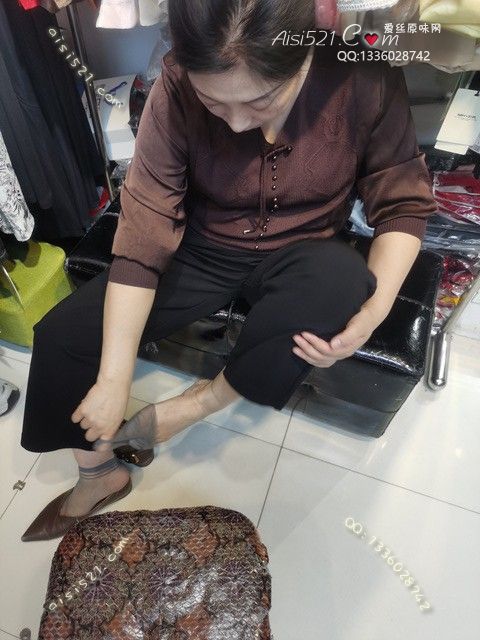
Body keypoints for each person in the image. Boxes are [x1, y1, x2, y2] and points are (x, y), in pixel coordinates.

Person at [20, 0, 437, 541]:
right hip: (203, 246)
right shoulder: (174, 87)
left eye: (261, 100)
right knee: (62, 337)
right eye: (214, 102)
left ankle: (199, 402)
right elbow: (145, 230)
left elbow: (402, 202)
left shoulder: (363, 78)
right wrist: (115, 378)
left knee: (342, 281)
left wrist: (374, 312)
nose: (237, 122)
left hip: (304, 251)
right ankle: (100, 475)